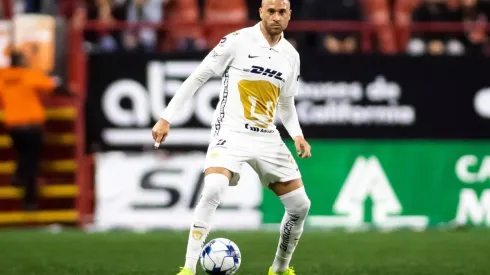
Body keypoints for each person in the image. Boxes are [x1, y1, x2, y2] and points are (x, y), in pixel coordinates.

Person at [151, 1, 311, 274]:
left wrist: (297, 134)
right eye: (270, 11)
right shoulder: (237, 41)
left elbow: (285, 103)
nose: (275, 17)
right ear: (260, 12)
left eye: (281, 12)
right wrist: (166, 118)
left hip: (266, 137)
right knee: (213, 187)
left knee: (300, 206)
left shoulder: (291, 55)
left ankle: (280, 269)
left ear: (289, 15)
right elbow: (198, 76)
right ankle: (188, 269)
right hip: (231, 132)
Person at [0, 51, 69, 210]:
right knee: (31, 159)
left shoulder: (2, 76)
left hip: (13, 125)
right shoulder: (28, 74)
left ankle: (29, 199)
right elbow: (53, 86)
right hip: (31, 124)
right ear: (22, 62)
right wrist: (70, 92)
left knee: (28, 158)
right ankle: (21, 180)